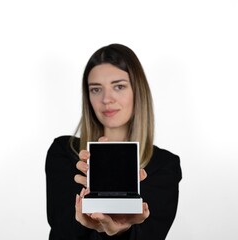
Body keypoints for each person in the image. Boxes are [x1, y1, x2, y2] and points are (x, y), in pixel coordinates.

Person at [45, 43, 182, 239]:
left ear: (138, 91)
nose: (107, 99)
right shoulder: (64, 152)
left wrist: (122, 230)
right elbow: (62, 231)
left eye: (119, 86)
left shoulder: (164, 165)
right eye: (96, 89)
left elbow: (150, 235)